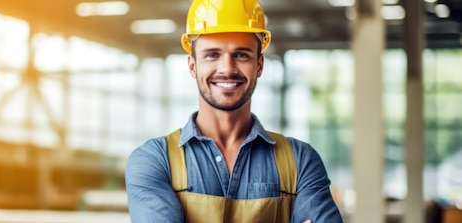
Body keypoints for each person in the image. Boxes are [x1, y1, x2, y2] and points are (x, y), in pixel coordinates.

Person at [125, 0, 343, 222]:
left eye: (241, 55)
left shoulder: (301, 162)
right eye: (212, 54)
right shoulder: (154, 161)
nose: (227, 69)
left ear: (259, 65)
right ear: (192, 65)